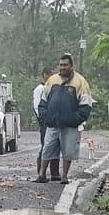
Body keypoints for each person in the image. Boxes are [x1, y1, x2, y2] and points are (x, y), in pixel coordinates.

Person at [35, 55, 93, 184]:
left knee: (68, 151)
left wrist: (74, 119)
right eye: (61, 65)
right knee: (47, 148)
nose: (62, 67)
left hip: (69, 125)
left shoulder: (80, 82)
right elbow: (43, 101)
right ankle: (42, 174)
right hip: (53, 123)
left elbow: (86, 105)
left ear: (71, 66)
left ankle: (64, 176)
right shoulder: (52, 80)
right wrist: (46, 116)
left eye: (65, 65)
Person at [30, 67, 55, 182]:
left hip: (52, 120)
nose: (50, 76)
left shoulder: (51, 88)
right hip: (44, 120)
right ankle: (41, 173)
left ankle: (54, 173)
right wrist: (41, 118)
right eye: (49, 74)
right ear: (44, 75)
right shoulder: (40, 89)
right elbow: (36, 106)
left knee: (54, 146)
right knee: (45, 146)